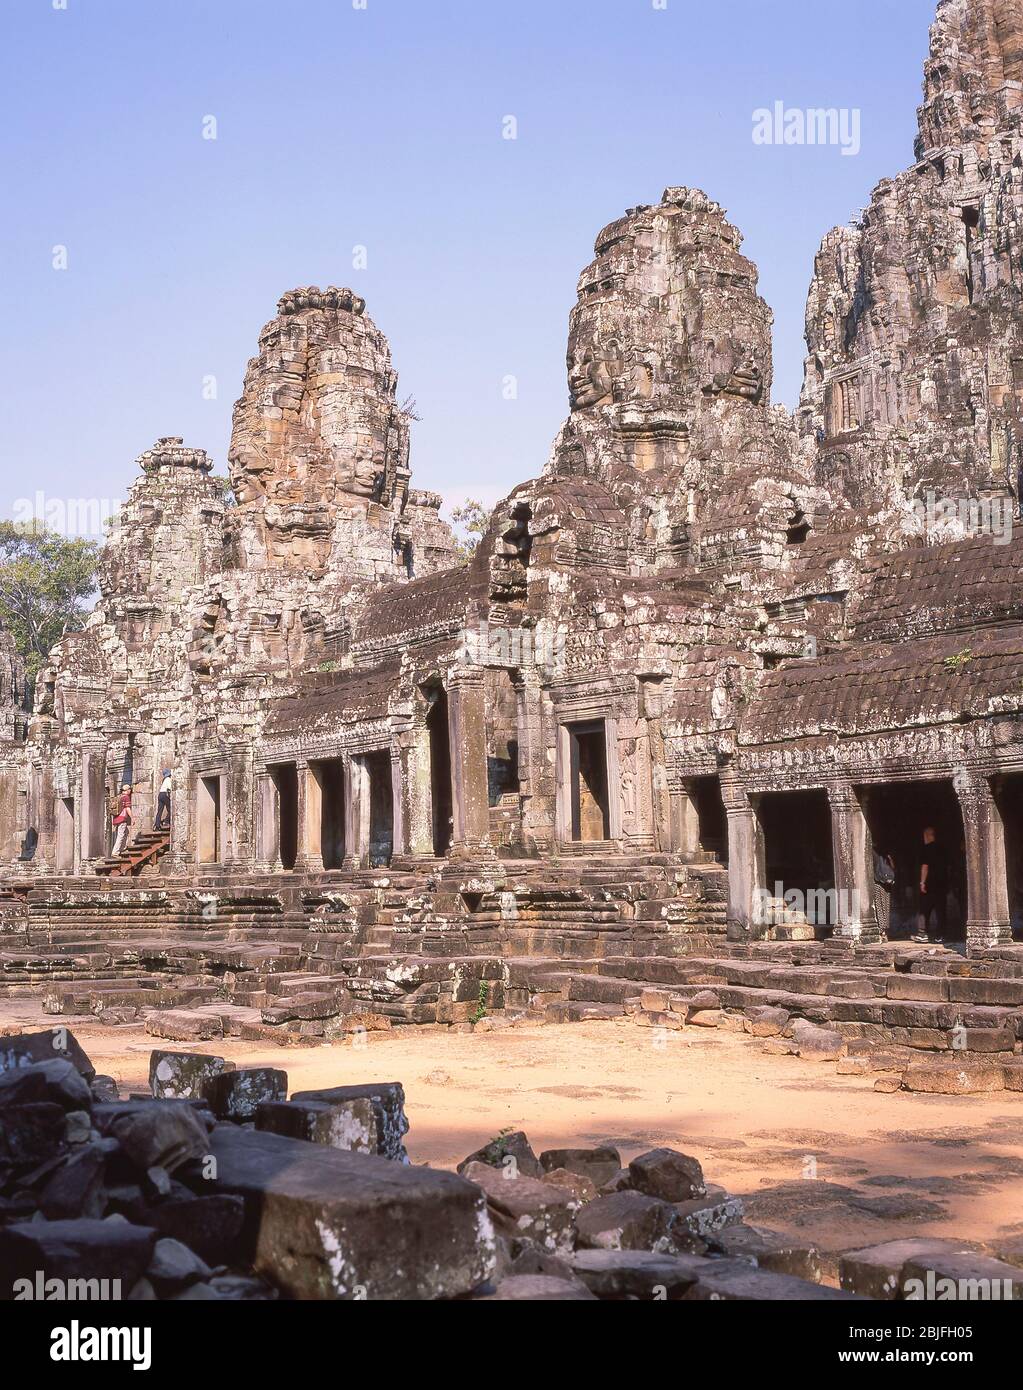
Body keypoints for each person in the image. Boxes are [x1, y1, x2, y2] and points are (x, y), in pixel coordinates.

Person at [915, 825, 949, 943]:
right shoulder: (943, 848)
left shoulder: (927, 849)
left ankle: (922, 933)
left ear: (928, 836)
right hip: (942, 883)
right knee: (941, 910)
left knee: (924, 909)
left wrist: (922, 882)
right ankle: (941, 935)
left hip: (930, 884)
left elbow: (925, 866)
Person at [872, 846, 896, 938]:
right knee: (885, 906)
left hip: (878, 882)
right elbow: (893, 867)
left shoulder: (874, 853)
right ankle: (884, 930)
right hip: (887, 882)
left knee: (879, 906)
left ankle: (882, 930)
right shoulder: (887, 854)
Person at [111, 784, 133, 856]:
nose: (130, 790)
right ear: (127, 790)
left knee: (125, 832)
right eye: (129, 789)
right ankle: (115, 852)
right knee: (121, 835)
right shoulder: (126, 797)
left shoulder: (119, 796)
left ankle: (122, 848)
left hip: (116, 819)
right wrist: (132, 818)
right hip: (122, 818)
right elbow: (127, 808)